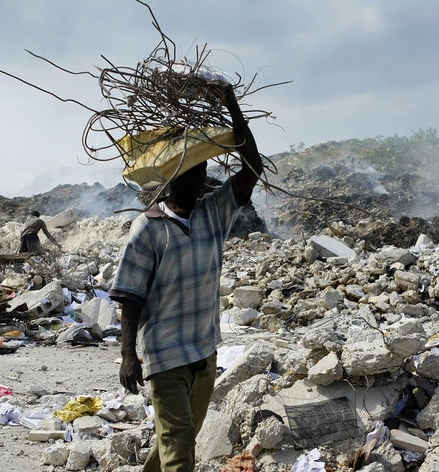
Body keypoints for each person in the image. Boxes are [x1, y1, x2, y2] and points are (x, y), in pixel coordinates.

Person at [109, 83, 262, 471]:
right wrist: (128, 354)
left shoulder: (213, 213)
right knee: (179, 449)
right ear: (172, 176)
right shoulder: (148, 228)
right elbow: (130, 295)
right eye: (191, 174)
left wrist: (232, 105)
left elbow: (252, 170)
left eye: (203, 172)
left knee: (179, 437)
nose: (199, 181)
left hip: (204, 350)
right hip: (165, 355)